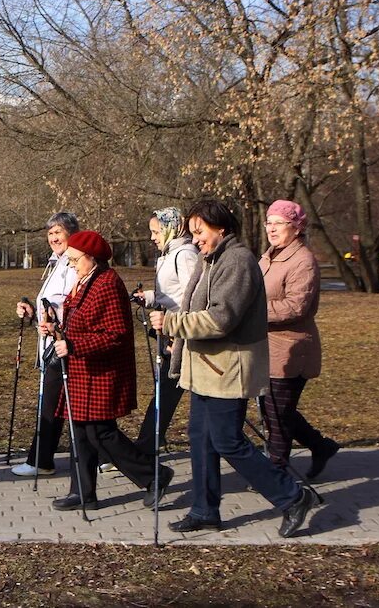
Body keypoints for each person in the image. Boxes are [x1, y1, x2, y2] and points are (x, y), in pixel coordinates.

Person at [151, 200, 316, 538]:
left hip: (228, 368)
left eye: (200, 232)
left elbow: (220, 319)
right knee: (200, 439)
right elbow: (194, 304)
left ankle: (293, 496)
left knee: (228, 441)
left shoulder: (238, 260)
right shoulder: (210, 259)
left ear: (221, 228)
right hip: (204, 369)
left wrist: (172, 323)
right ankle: (204, 510)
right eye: (192, 233)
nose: (195, 239)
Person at [49, 230, 174, 511]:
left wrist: (73, 343)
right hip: (82, 370)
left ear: (91, 257)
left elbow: (115, 334)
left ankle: (155, 474)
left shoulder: (107, 283)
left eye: (74, 259)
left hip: (102, 371)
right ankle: (82, 492)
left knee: (101, 433)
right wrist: (56, 328)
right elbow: (79, 323)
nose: (71, 265)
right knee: (79, 431)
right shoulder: (83, 280)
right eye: (68, 260)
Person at [260, 200, 340, 480]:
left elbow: (296, 306)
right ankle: (321, 446)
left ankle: (277, 475)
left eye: (277, 223)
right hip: (265, 348)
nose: (271, 228)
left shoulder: (302, 260)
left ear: (296, 227)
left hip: (291, 349)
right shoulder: (269, 256)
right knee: (276, 411)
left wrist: (253, 313)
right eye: (268, 222)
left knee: (278, 414)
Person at [10, 212, 81, 477]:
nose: (53, 238)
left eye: (58, 232)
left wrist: (54, 321)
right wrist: (31, 312)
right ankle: (102, 456)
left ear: (71, 234)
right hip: (51, 340)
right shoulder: (55, 263)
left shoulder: (74, 263)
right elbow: (49, 304)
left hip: (64, 342)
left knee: (54, 403)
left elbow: (74, 303)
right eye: (50, 233)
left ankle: (41, 460)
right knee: (68, 403)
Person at [131, 207, 199, 455]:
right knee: (164, 394)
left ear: (171, 228)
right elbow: (173, 293)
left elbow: (193, 299)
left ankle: (144, 448)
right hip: (169, 332)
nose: (152, 237)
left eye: (156, 231)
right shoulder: (170, 253)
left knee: (166, 394)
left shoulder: (185, 255)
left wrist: (176, 332)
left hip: (181, 336)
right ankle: (149, 442)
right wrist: (148, 297)